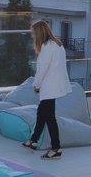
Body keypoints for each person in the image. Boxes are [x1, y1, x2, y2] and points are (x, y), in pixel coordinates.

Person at [23, 20, 71, 160]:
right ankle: (34, 140)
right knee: (42, 114)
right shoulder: (57, 44)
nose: (32, 36)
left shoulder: (46, 46)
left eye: (33, 33)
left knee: (49, 117)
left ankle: (56, 148)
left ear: (39, 33)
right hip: (55, 85)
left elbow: (42, 69)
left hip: (49, 86)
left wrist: (36, 85)